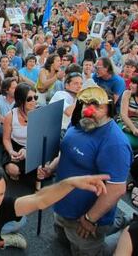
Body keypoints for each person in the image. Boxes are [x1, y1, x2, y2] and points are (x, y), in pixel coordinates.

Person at [0, 162, 109, 256]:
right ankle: (5, 239)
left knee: (21, 218)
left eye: (1, 194)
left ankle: (4, 239)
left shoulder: (3, 206)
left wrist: (71, 183)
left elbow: (40, 200)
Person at [50, 85, 132, 256]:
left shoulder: (115, 143)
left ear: (108, 108)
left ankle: (128, 234)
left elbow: (116, 189)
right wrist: (50, 168)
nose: (88, 110)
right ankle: (124, 221)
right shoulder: (82, 122)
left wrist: (89, 218)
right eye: (86, 104)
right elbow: (68, 151)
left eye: (96, 106)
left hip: (84, 220)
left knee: (87, 251)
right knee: (63, 242)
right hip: (63, 208)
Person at [2, 83, 38, 180]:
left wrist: (27, 149)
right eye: (29, 99)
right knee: (13, 169)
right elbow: (6, 139)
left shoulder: (39, 113)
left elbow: (40, 138)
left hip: (33, 146)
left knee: (42, 169)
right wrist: (10, 151)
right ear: (20, 100)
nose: (34, 101)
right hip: (15, 146)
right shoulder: (10, 116)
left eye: (35, 97)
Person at [120, 75, 138, 151]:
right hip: (126, 122)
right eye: (131, 82)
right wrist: (134, 129)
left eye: (134, 83)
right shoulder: (127, 94)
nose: (130, 85)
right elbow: (123, 115)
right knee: (126, 141)